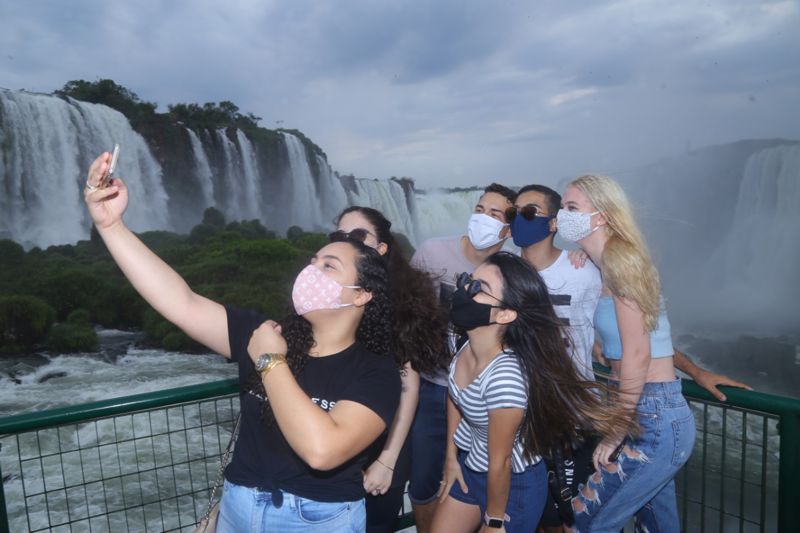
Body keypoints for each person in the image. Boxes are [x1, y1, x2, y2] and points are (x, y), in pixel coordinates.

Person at [83, 152, 401, 532]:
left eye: (329, 266)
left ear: (362, 294)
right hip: (238, 507)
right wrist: (112, 226)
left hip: (316, 519)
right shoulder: (266, 331)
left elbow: (323, 450)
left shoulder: (376, 372)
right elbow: (181, 302)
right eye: (313, 261)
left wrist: (270, 360)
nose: (311, 271)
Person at [430, 252, 631, 533]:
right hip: (472, 467)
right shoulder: (460, 338)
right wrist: (451, 458)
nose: (465, 290)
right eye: (468, 281)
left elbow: (500, 460)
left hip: (512, 485)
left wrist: (495, 520)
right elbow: (455, 396)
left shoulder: (505, 379)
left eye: (480, 288)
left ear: (505, 314)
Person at [558, 174, 695, 532]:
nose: (562, 214)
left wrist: (617, 431)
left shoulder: (622, 262)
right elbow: (618, 343)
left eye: (572, 207)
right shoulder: (601, 264)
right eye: (562, 206)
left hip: (651, 414)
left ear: (601, 216)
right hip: (639, 408)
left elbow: (638, 352)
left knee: (586, 521)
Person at [407, 183, 517, 533]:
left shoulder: (508, 272)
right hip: (433, 386)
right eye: (480, 209)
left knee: (480, 477)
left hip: (487, 392)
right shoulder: (431, 252)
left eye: (495, 214)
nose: (482, 218)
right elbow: (407, 314)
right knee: (424, 481)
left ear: (509, 229)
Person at [334, 206, 450, 533]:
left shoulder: (399, 305)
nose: (347, 241)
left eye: (358, 235)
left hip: (385, 438)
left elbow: (407, 387)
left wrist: (387, 460)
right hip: (338, 434)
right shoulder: (332, 297)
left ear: (382, 248)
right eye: (340, 236)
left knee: (378, 523)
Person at [506, 185, 601, 532]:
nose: (519, 220)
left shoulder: (584, 272)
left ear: (553, 223)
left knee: (570, 518)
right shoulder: (504, 276)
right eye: (514, 213)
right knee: (533, 515)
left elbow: (623, 323)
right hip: (520, 417)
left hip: (571, 415)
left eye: (529, 212)